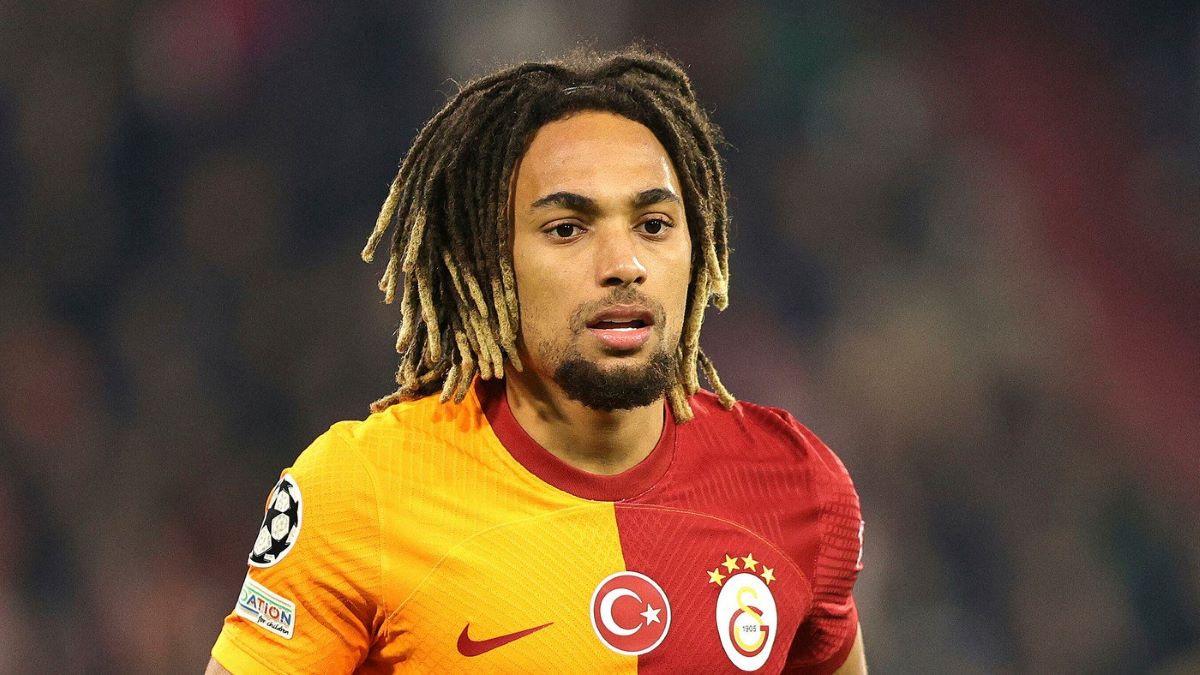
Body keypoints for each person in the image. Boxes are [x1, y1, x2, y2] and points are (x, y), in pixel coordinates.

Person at [206, 46, 866, 674]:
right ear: (487, 261)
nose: (624, 265)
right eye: (567, 229)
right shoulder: (361, 493)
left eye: (654, 225)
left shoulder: (798, 486)